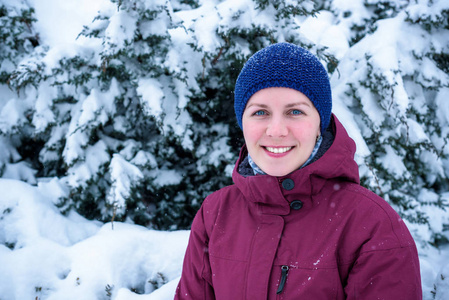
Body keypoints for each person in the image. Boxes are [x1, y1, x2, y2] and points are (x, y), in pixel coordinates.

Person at [174, 42, 422, 299]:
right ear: (242, 123)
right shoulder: (215, 213)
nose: (277, 130)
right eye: (260, 112)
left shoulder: (372, 224)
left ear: (319, 124)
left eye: (295, 111)